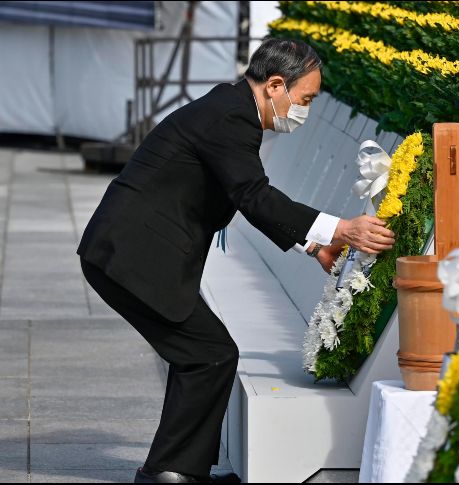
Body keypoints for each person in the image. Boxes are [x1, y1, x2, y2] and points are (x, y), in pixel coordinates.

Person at [76, 38, 395, 484]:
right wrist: (341, 229)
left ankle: (176, 471)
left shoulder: (231, 107)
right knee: (208, 354)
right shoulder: (232, 116)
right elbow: (254, 196)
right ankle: (169, 473)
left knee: (205, 354)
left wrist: (314, 246)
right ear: (276, 85)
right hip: (132, 255)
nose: (304, 111)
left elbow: (243, 195)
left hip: (130, 250)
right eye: (305, 100)